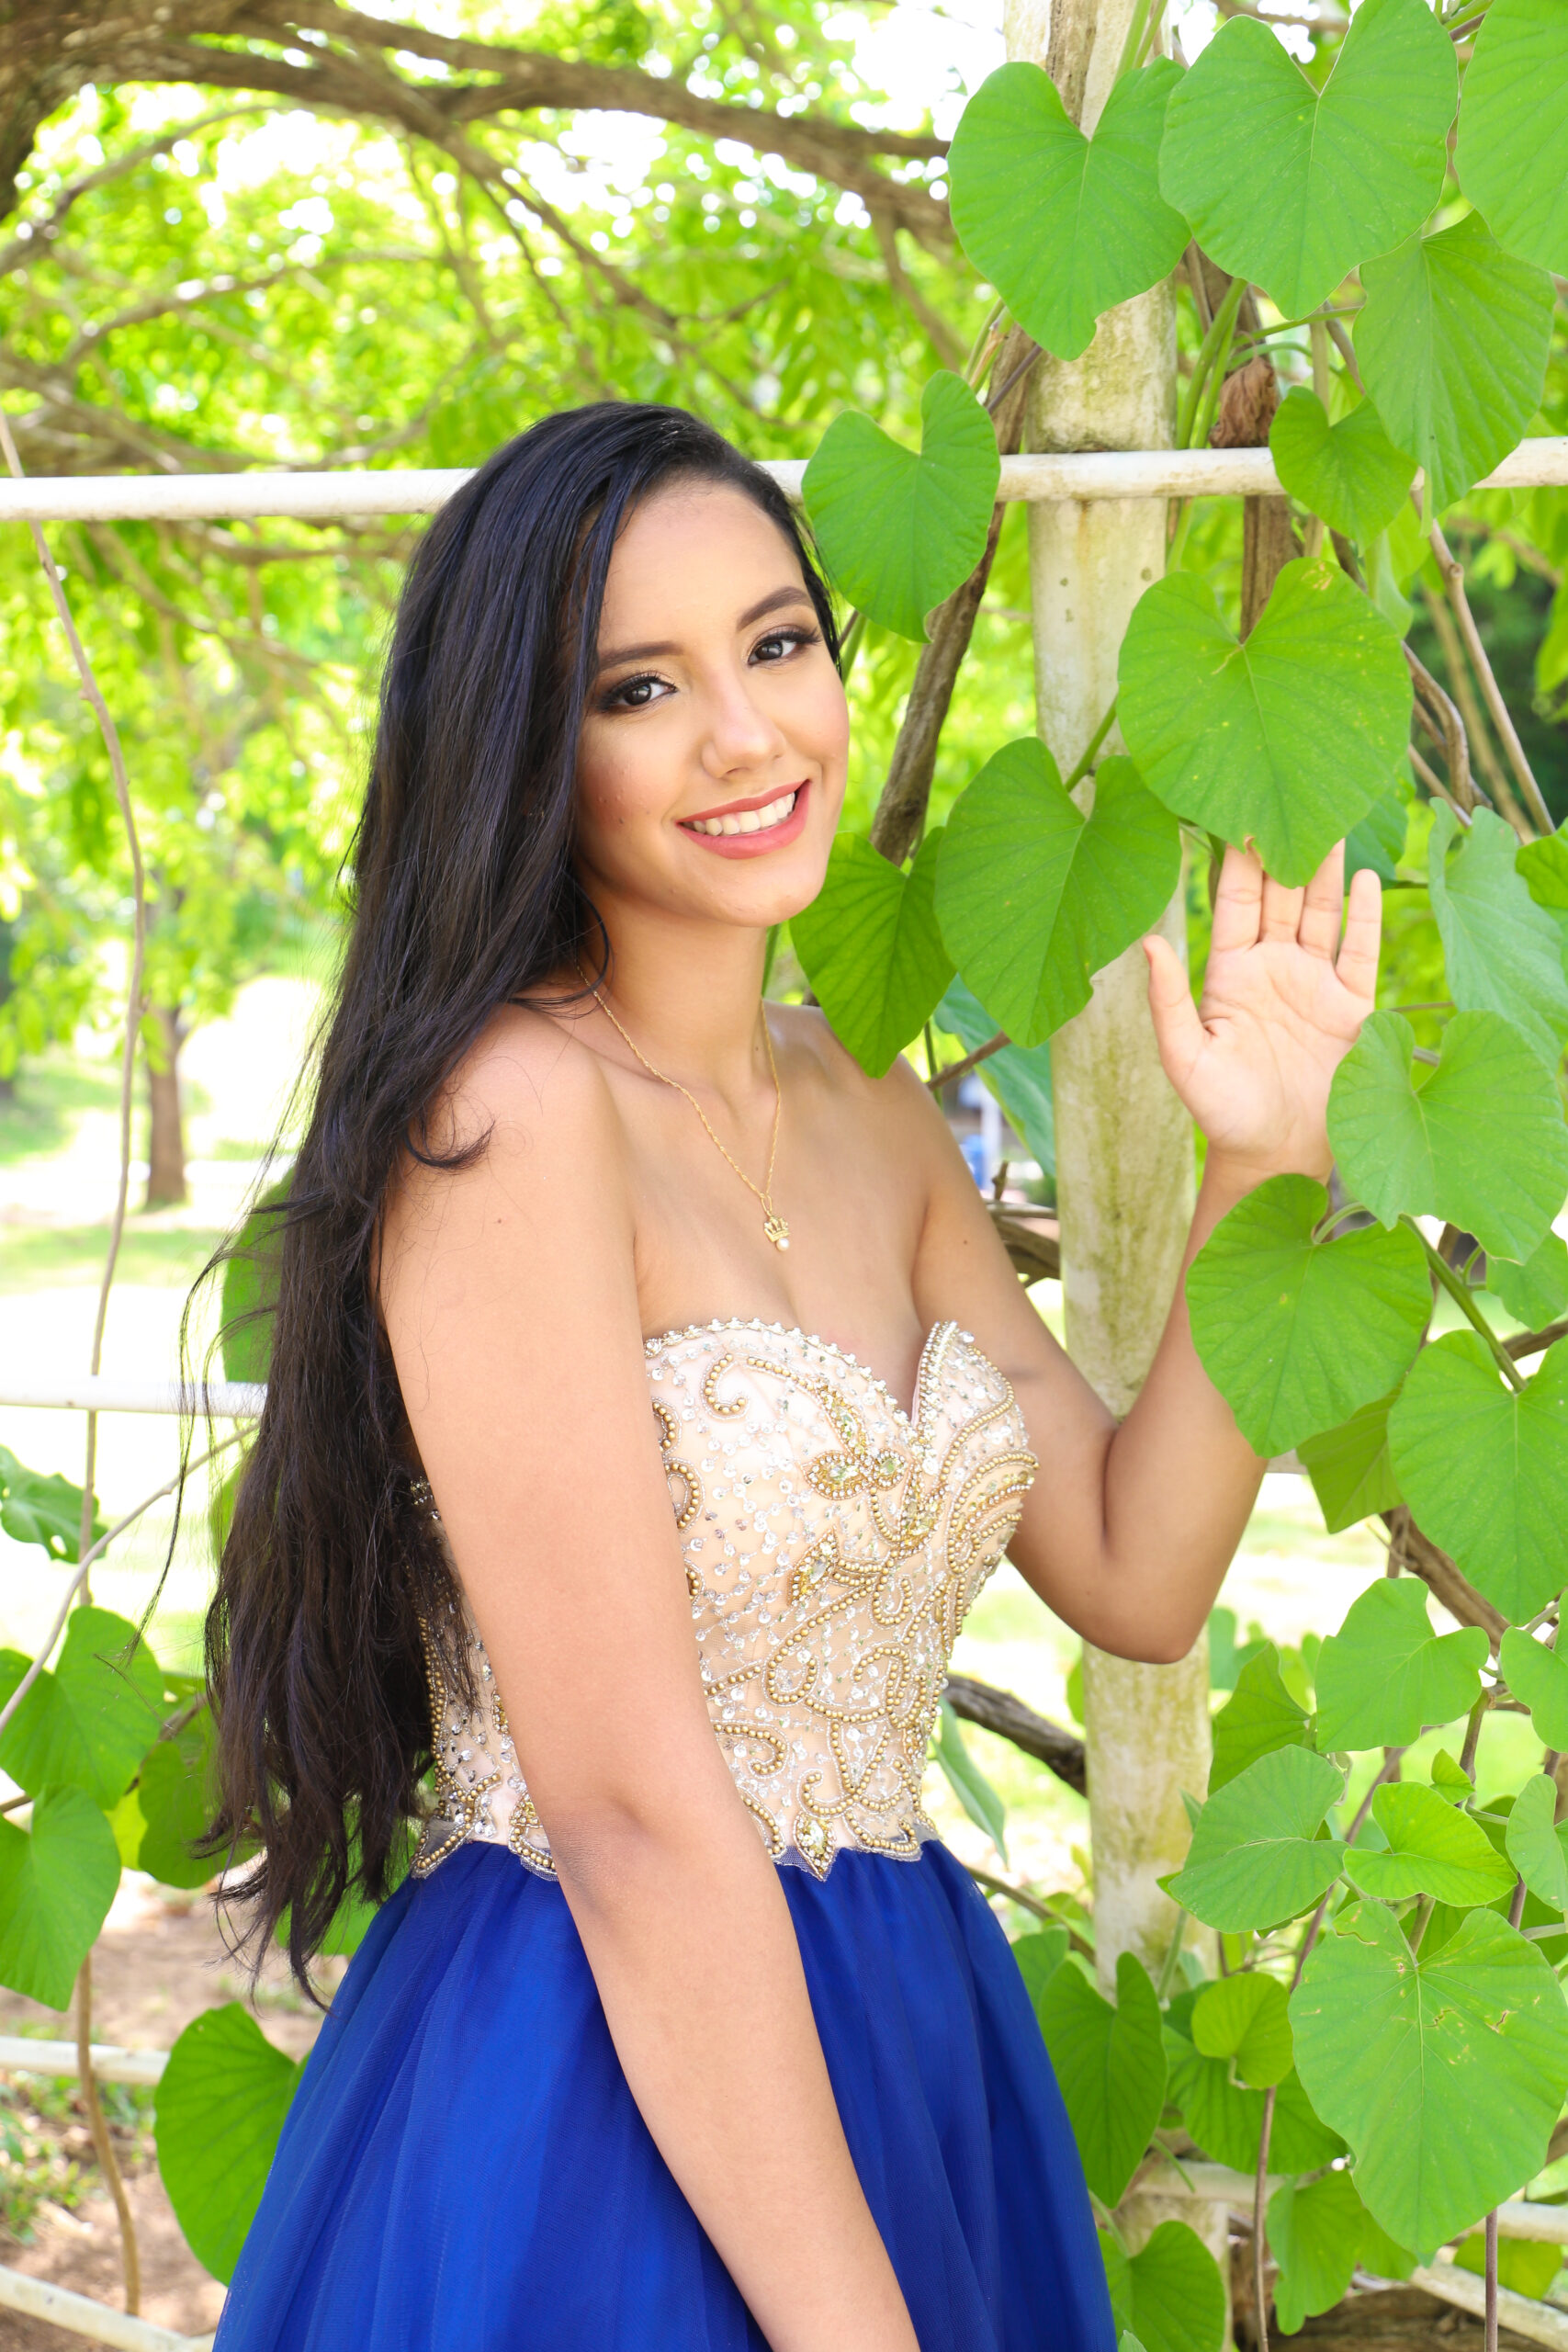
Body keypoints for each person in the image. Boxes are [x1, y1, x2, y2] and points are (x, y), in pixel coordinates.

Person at [204, 401, 1382, 2352]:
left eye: (777, 643)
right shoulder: (506, 1118)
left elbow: (1138, 1565)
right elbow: (628, 1808)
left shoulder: (876, 1116)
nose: (746, 734)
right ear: (524, 747)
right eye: (640, 688)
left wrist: (1264, 1163)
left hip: (901, 2023)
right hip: (596, 2060)